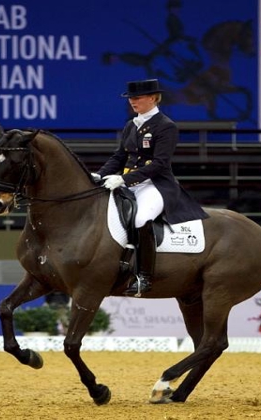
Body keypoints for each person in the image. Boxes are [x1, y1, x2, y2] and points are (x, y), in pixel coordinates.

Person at [93, 79, 209, 296]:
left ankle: (143, 277)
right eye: (131, 99)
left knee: (141, 219)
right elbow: (120, 156)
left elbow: (159, 163)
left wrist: (125, 180)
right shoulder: (131, 125)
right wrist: (100, 174)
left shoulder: (166, 126)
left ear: (153, 98)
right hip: (129, 183)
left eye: (137, 98)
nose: (132, 102)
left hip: (155, 184)